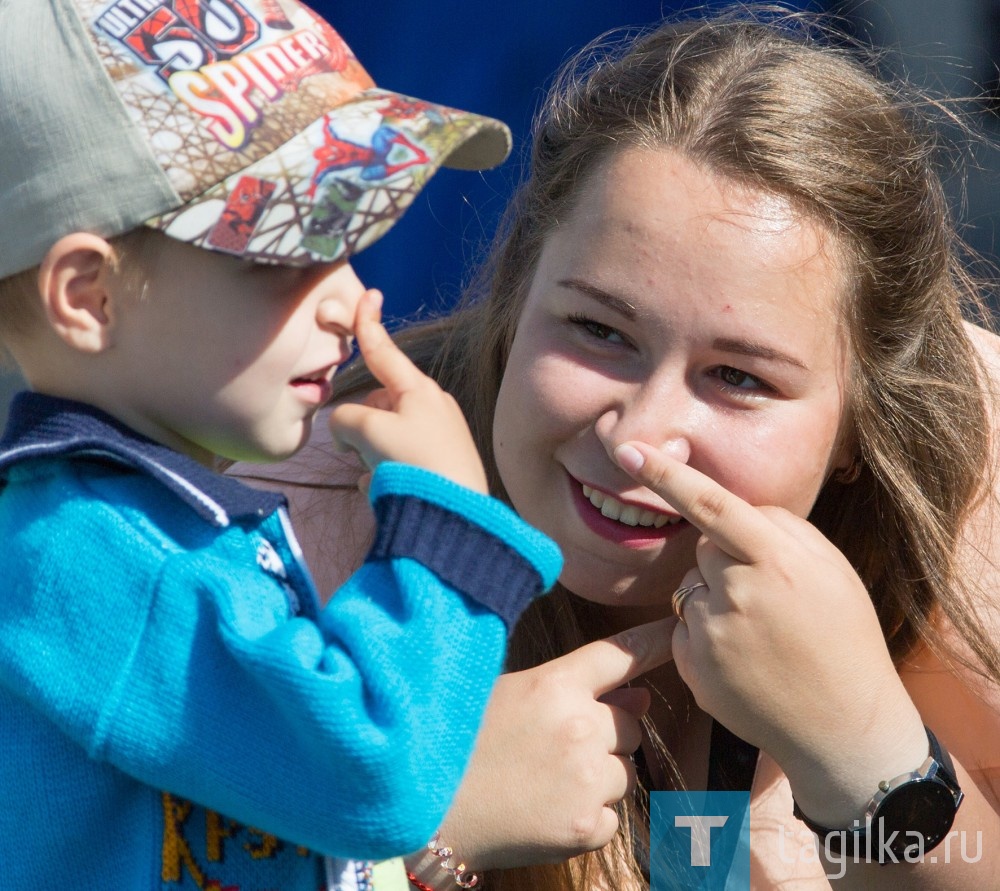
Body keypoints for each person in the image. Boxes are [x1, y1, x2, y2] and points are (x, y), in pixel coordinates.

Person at [230, 5, 1000, 889]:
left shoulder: (965, 501)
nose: (637, 439)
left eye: (739, 377)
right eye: (598, 329)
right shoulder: (297, 537)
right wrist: (422, 833)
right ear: (517, 294)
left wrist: (869, 758)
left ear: (864, 422)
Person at [0, 1, 567, 889]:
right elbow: (373, 776)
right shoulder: (94, 554)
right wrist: (447, 526)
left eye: (348, 246)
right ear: (90, 297)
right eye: (282, 255)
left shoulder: (139, 524)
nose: (348, 300)